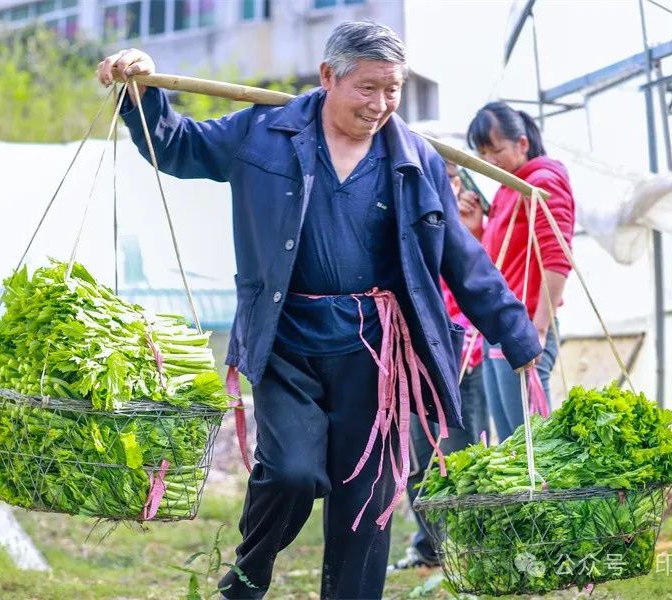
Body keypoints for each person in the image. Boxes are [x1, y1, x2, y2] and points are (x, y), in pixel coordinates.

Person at [97, 22, 541, 600]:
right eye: (367, 88)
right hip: (287, 339)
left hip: (379, 354)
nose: (381, 104)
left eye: (393, 89)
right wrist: (142, 93)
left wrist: (519, 338)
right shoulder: (264, 133)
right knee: (290, 472)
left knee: (366, 502)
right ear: (329, 76)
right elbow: (179, 146)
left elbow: (464, 259)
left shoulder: (416, 161)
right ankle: (250, 572)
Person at [390, 161, 489, 571]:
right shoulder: (408, 222)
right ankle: (430, 547)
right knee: (418, 461)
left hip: (460, 358)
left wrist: (475, 230)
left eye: (451, 175)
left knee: (460, 459)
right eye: (437, 175)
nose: (446, 183)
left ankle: (474, 550)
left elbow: (483, 288)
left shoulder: (472, 227)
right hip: (414, 358)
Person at [466, 102, 576, 440]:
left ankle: (544, 496)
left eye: (496, 149)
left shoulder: (542, 183)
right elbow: (504, 262)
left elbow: (556, 257)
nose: (489, 161)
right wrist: (476, 230)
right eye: (482, 152)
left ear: (522, 144)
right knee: (513, 446)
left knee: (532, 447)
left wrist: (538, 329)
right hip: (499, 328)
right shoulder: (508, 190)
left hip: (524, 326)